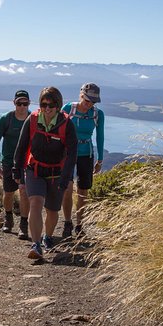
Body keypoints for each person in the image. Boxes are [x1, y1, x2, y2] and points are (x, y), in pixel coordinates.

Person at [13, 86, 77, 259]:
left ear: (58, 105)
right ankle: (36, 244)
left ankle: (47, 237)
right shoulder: (32, 119)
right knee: (35, 202)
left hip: (57, 173)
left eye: (52, 104)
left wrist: (66, 178)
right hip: (34, 170)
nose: (47, 108)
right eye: (44, 104)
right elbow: (22, 145)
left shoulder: (66, 124)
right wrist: (16, 168)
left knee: (52, 210)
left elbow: (72, 154)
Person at [61, 82, 105, 238]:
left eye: (93, 102)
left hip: (86, 153)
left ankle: (79, 225)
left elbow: (100, 136)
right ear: (81, 96)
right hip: (68, 153)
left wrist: (100, 159)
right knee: (67, 187)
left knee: (83, 191)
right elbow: (58, 131)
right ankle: (67, 223)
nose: (89, 105)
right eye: (87, 101)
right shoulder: (68, 109)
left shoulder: (97, 114)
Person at [0, 90, 32, 239]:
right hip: (8, 163)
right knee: (8, 192)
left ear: (29, 103)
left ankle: (23, 224)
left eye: (25, 103)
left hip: (27, 163)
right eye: (19, 103)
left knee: (24, 192)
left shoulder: (33, 119)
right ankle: (8, 217)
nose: (22, 106)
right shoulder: (6, 119)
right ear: (13, 103)